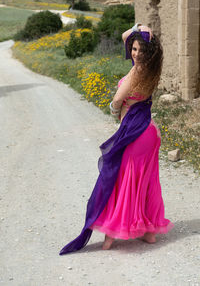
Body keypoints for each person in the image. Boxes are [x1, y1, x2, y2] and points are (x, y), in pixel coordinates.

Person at [59, 23, 174, 255]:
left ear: (147, 52)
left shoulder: (136, 73)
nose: (135, 53)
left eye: (140, 49)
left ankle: (112, 233)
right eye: (133, 49)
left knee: (121, 180)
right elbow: (126, 36)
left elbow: (116, 100)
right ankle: (149, 232)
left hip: (134, 132)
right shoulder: (150, 67)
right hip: (149, 131)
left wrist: (114, 110)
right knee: (146, 181)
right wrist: (141, 28)